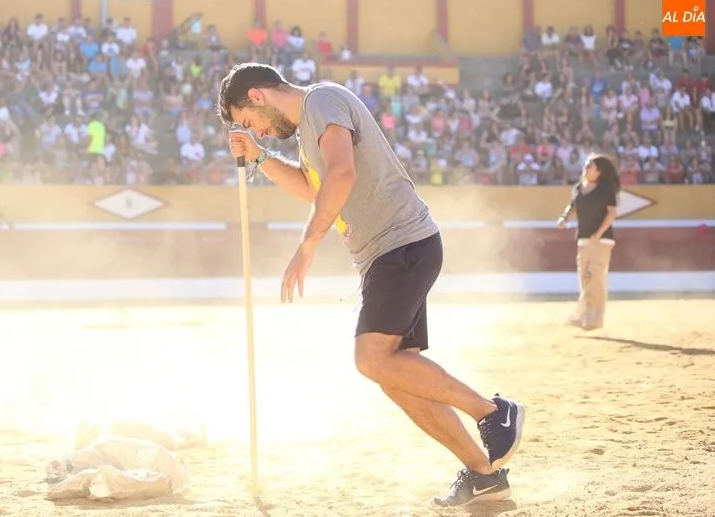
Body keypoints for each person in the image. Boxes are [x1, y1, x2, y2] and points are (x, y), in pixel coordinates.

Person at [219, 63, 525, 508]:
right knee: (393, 373)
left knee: (371, 359)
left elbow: (342, 174)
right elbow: (313, 187)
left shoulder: (322, 100)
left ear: (257, 96)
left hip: (400, 246)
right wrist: (260, 157)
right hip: (389, 253)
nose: (258, 131)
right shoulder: (309, 129)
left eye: (250, 122)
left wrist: (308, 244)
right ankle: (484, 475)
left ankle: (494, 412)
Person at [557, 154, 620, 331]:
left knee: (595, 278)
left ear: (599, 172)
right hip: (584, 237)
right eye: (585, 166)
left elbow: (611, 213)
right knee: (585, 278)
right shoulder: (579, 187)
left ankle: (593, 318)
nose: (585, 169)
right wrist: (564, 217)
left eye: (589, 166)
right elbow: (572, 205)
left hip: (602, 239)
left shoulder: (606, 189)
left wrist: (598, 233)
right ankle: (584, 314)